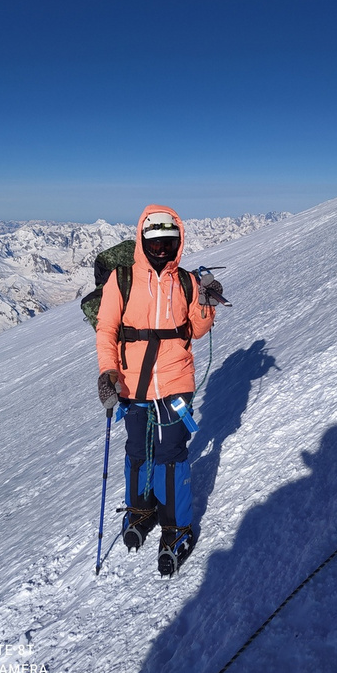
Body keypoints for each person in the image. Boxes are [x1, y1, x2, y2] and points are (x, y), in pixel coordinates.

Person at [96, 204, 221, 575]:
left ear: (177, 242)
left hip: (175, 382)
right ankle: (141, 507)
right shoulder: (122, 280)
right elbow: (107, 330)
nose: (162, 248)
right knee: (137, 449)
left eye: (169, 242)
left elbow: (196, 330)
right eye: (156, 241)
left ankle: (175, 526)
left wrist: (206, 303)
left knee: (170, 454)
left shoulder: (186, 281)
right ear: (143, 240)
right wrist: (109, 372)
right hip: (133, 382)